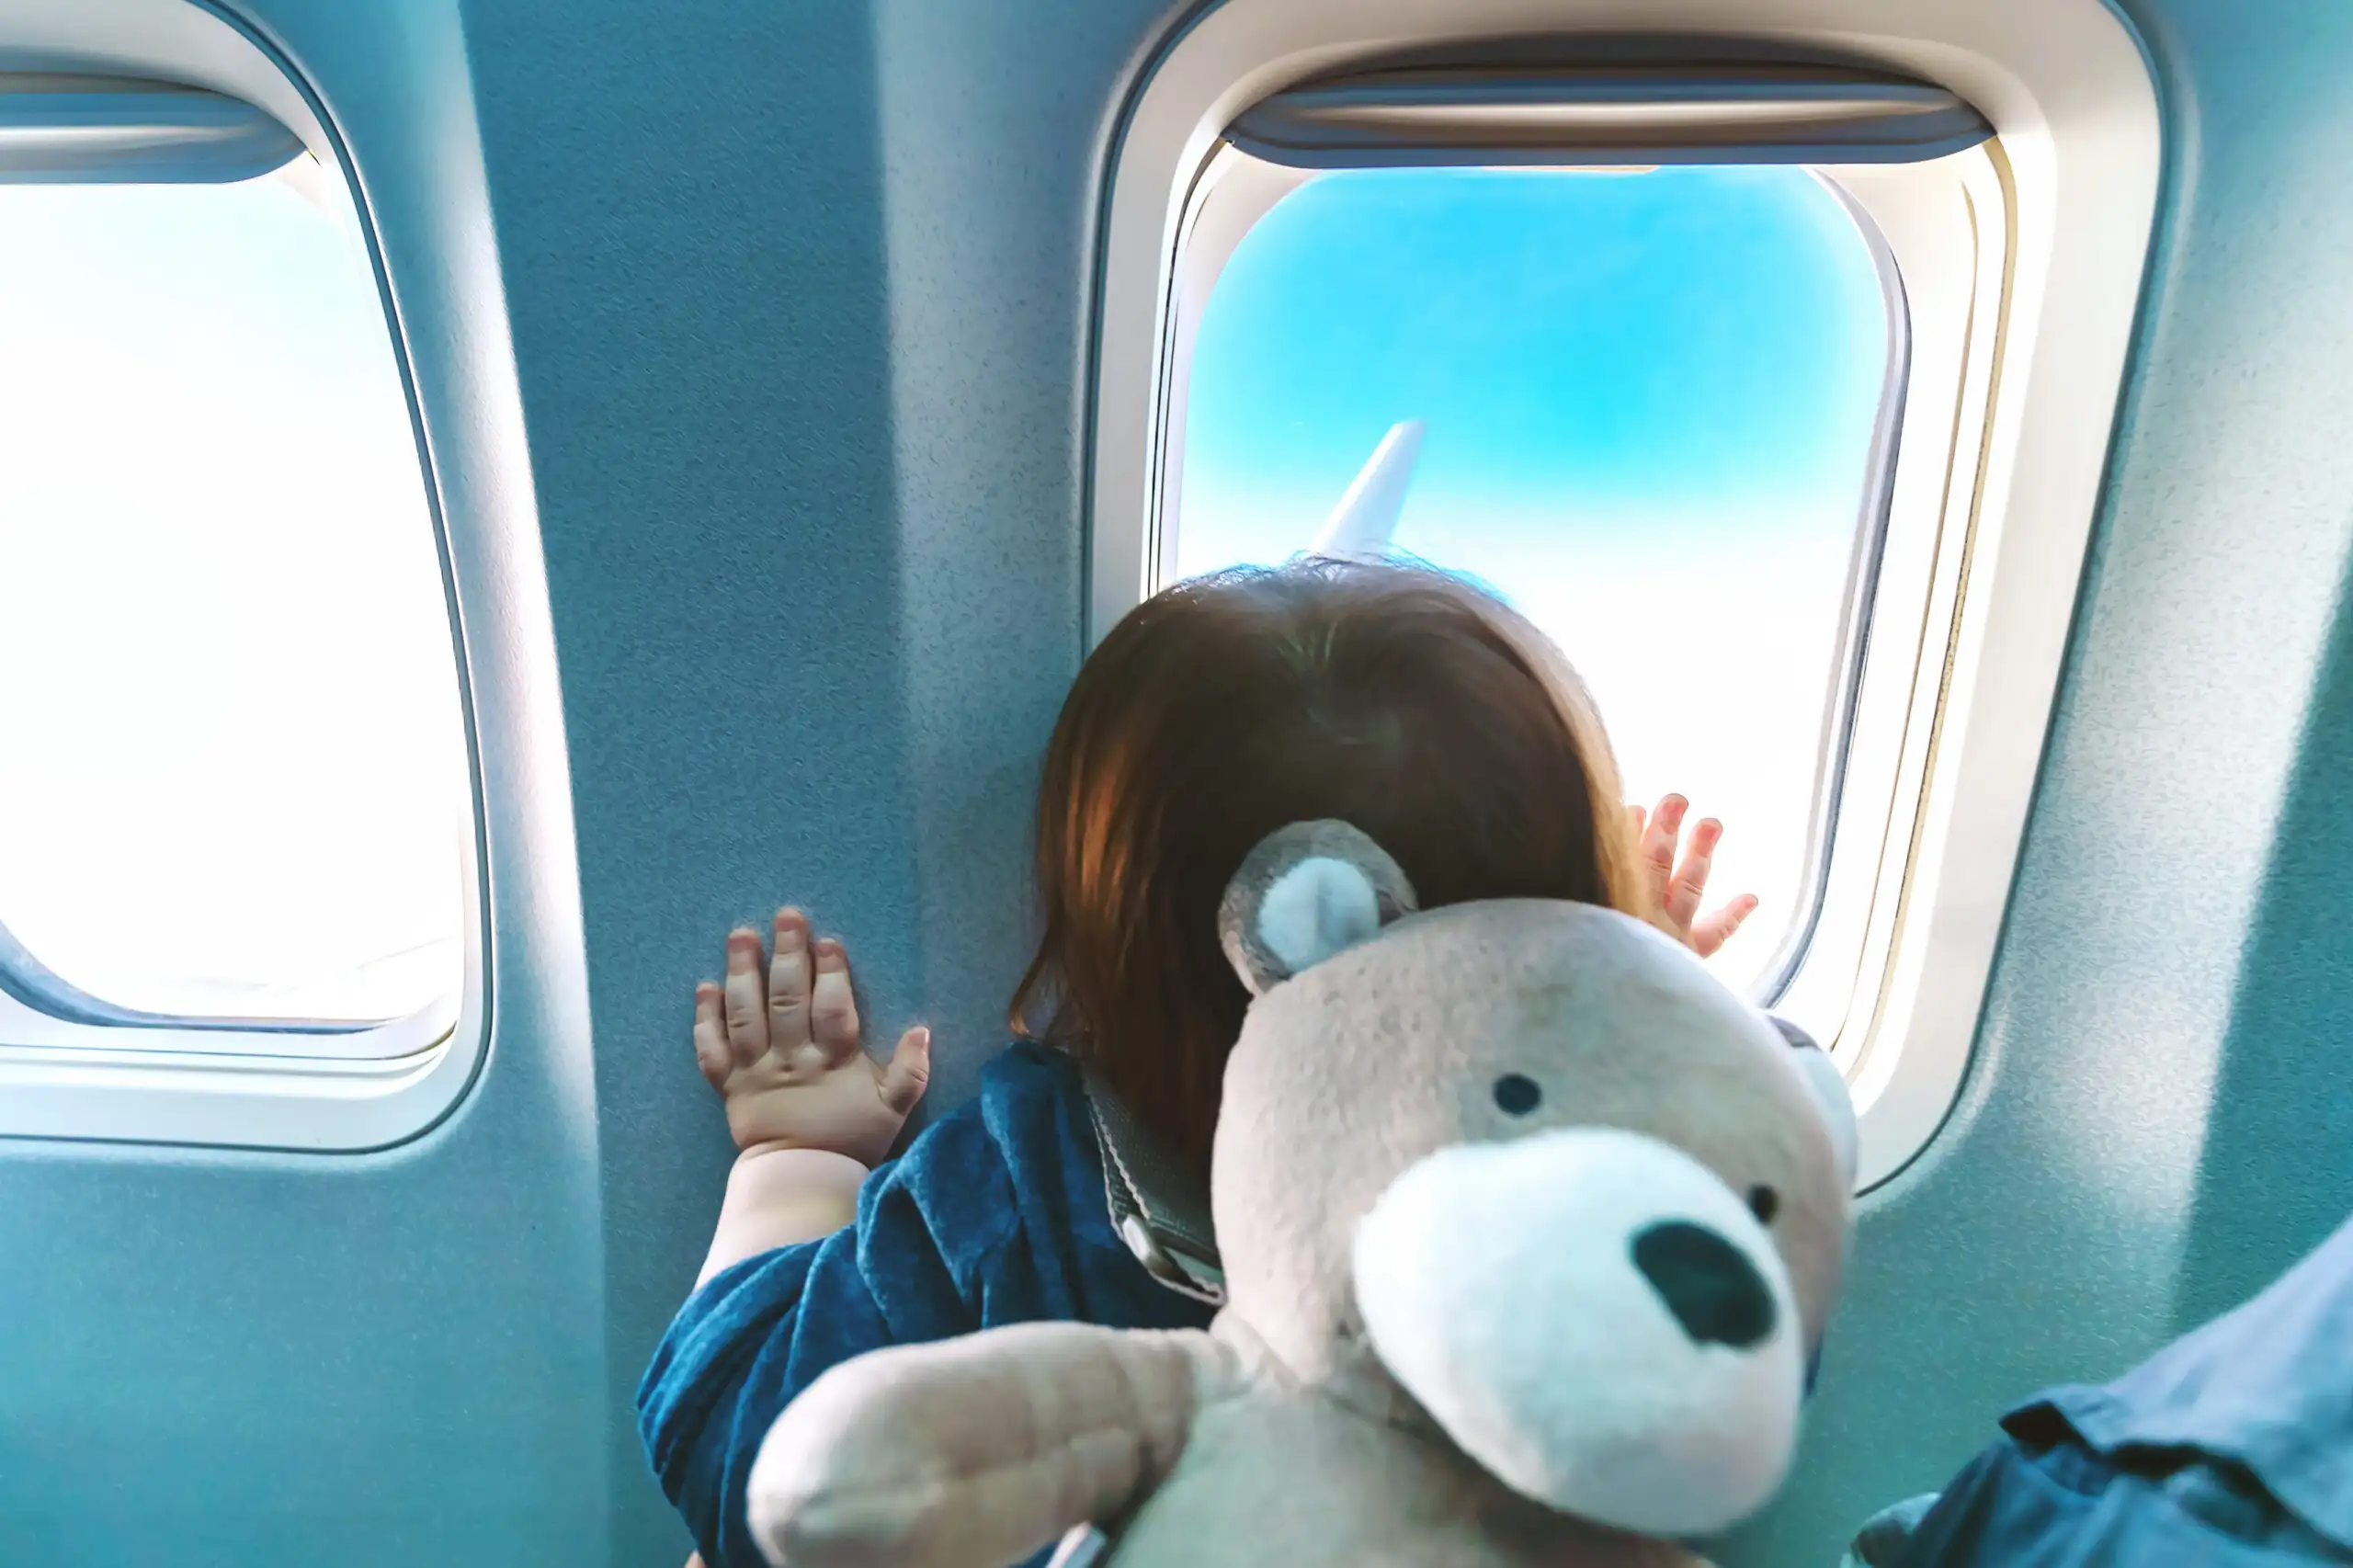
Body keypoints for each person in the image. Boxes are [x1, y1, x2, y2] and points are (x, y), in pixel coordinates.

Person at [640, 558, 1762, 1568]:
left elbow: (756, 1475)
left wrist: (795, 1158)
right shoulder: (1612, 1211)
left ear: (1103, 938)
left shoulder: (1017, 1189)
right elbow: (1710, 1438)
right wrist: (1637, 1029)